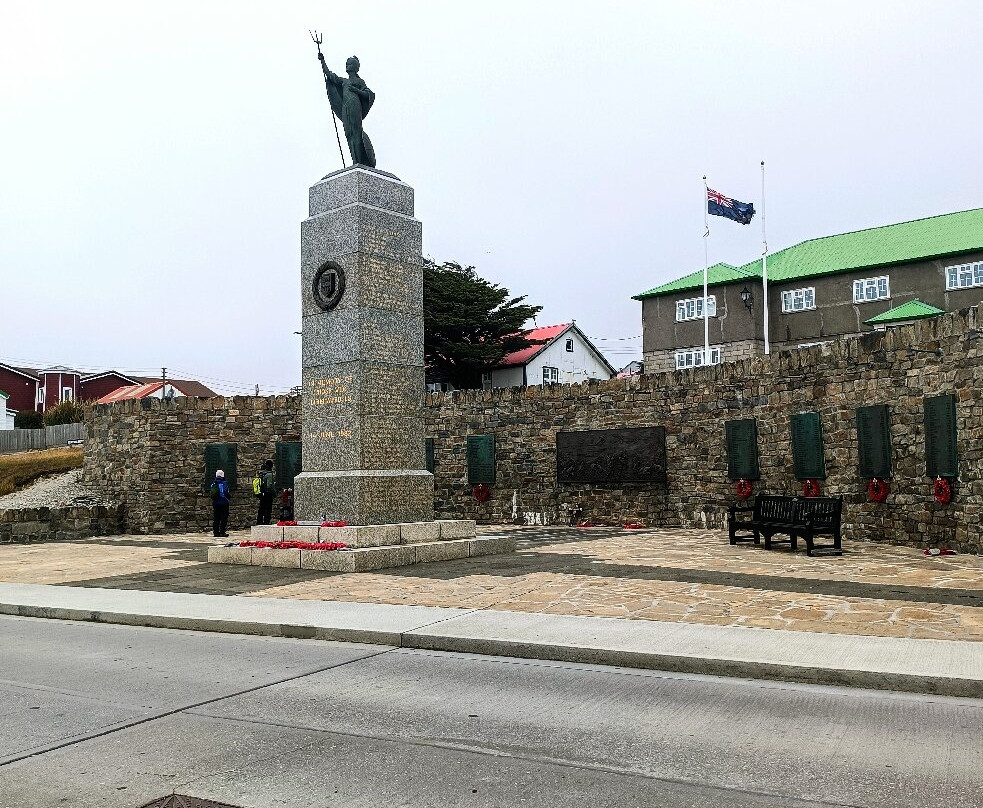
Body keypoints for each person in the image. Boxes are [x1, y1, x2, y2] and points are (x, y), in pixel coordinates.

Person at [318, 53, 376, 167]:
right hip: (345, 108)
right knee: (348, 134)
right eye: (346, 63)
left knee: (356, 133)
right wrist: (322, 61)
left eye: (349, 64)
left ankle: (360, 161)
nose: (347, 65)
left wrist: (357, 90)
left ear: (354, 67)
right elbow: (330, 75)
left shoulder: (359, 81)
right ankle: (354, 160)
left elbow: (369, 94)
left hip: (355, 106)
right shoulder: (344, 81)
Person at [210, 469, 231, 538]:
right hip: (224, 502)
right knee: (224, 518)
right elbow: (226, 492)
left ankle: (216, 532)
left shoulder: (213, 483)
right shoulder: (224, 483)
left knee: (216, 517)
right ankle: (222, 532)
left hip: (216, 503)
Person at [256, 459, 276, 526]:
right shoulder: (269, 475)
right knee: (268, 509)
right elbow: (269, 485)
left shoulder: (261, 474)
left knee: (261, 508)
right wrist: (274, 493)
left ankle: (259, 522)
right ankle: (266, 522)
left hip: (262, 494)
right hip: (268, 494)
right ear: (271, 466)